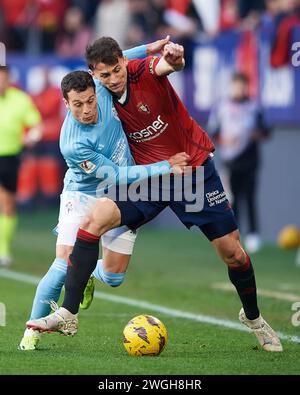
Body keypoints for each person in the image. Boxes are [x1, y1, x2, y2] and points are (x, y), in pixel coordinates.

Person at [27, 38, 283, 352]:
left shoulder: (142, 71)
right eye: (104, 76)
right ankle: (68, 312)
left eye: (116, 70)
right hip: (149, 177)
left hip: (192, 170)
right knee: (95, 220)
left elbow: (167, 65)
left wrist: (172, 57)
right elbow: (116, 173)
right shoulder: (97, 93)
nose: (113, 79)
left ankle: (255, 319)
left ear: (123, 62)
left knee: (233, 253)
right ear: (96, 77)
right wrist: (163, 165)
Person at [19, 39, 189, 350]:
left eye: (89, 101)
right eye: (77, 105)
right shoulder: (72, 143)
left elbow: (117, 62)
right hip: (83, 192)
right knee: (64, 261)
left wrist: (151, 48)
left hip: (121, 191)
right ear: (66, 105)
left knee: (113, 278)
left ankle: (87, 274)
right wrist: (165, 166)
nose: (86, 109)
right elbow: (116, 173)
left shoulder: (100, 87)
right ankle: (31, 333)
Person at [208, 72, 271, 253]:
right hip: (230, 162)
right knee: (231, 200)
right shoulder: (222, 107)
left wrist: (253, 135)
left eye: (242, 85)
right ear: (231, 86)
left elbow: (266, 131)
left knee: (250, 197)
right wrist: (225, 141)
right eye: (236, 85)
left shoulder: (254, 107)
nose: (239, 89)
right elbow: (214, 131)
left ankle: (253, 234)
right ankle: (234, 234)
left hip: (250, 160)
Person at [0, 65, 42, 266]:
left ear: (9, 80)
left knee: (8, 204)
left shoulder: (20, 99)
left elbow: (36, 125)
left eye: (3, 78)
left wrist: (31, 137)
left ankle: (3, 249)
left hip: (9, 157)